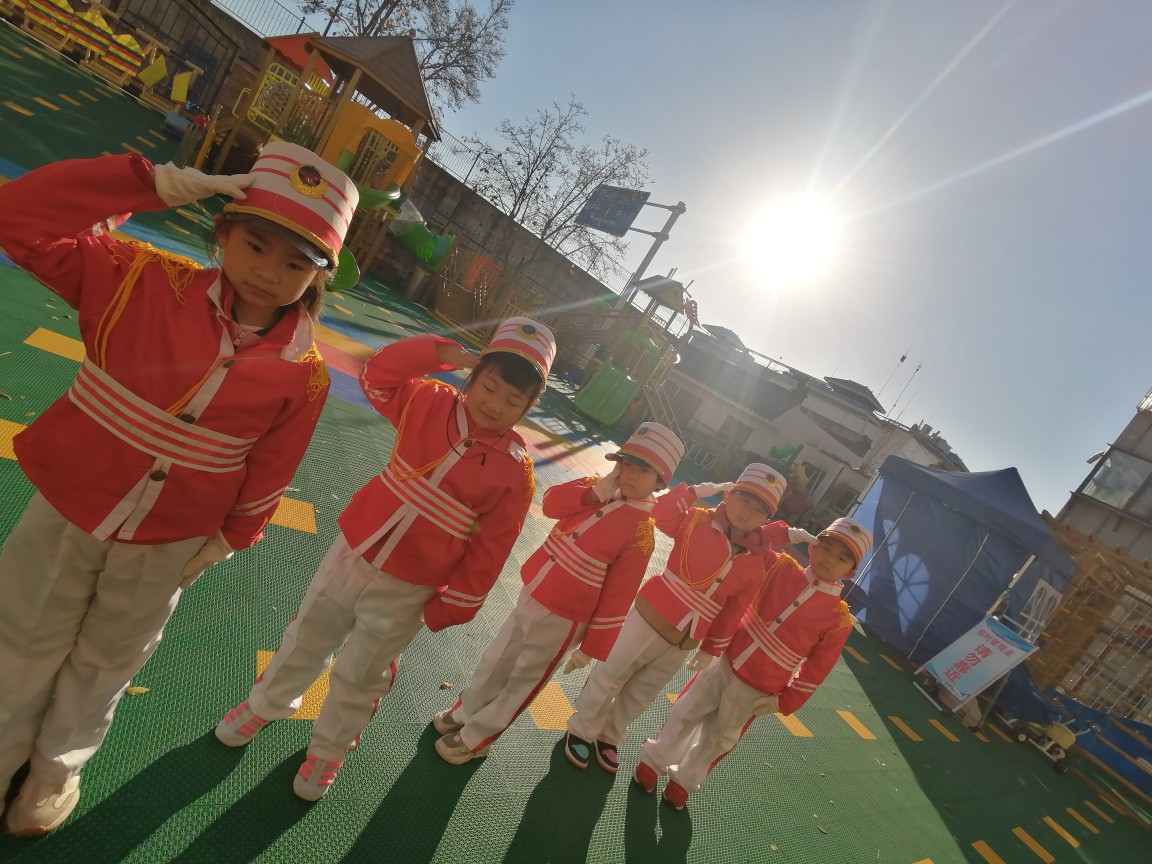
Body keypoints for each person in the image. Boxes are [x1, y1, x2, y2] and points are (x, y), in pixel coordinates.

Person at [0, 141, 357, 835]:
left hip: (170, 539)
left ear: (318, 277)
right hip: (72, 502)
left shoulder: (305, 373)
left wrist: (228, 540)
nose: (269, 272)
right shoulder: (135, 277)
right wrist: (150, 183)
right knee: (22, 631)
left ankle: (54, 770)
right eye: (255, 245)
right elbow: (17, 217)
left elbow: (272, 468)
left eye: (296, 264)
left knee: (111, 657)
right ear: (223, 231)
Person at [213, 317, 556, 801]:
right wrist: (437, 351)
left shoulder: (516, 471)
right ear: (473, 375)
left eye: (513, 400)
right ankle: (266, 703)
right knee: (310, 629)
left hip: (413, 582)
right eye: (490, 386)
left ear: (527, 408)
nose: (495, 404)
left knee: (365, 667)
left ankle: (330, 748)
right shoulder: (428, 401)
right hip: (356, 546)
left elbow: (494, 544)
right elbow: (377, 375)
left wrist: (459, 600)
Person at [433, 422, 686, 766]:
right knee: (498, 657)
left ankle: (478, 737)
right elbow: (551, 504)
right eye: (626, 463)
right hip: (534, 590)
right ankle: (468, 709)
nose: (629, 474)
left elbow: (618, 597)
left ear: (659, 482)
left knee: (524, 679)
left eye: (643, 470)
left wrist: (592, 647)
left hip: (567, 617)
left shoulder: (642, 533)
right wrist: (593, 492)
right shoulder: (594, 487)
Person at [564, 463, 794, 772]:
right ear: (728, 495)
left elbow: (733, 610)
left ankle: (610, 735)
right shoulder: (697, 520)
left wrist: (711, 649)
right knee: (612, 672)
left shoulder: (756, 562)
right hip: (650, 615)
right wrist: (693, 492)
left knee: (643, 691)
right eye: (744, 500)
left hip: (685, 639)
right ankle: (582, 728)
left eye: (759, 509)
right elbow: (661, 513)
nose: (748, 512)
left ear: (766, 519)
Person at [634, 517, 873, 810]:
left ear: (850, 572)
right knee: (687, 710)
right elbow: (753, 541)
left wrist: (785, 701)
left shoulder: (838, 619)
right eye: (825, 547)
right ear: (813, 546)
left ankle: (684, 781)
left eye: (841, 558)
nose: (829, 559)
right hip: (725, 660)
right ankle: (655, 760)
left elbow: (817, 668)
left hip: (759, 689)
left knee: (721, 737)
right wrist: (785, 533)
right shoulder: (780, 566)